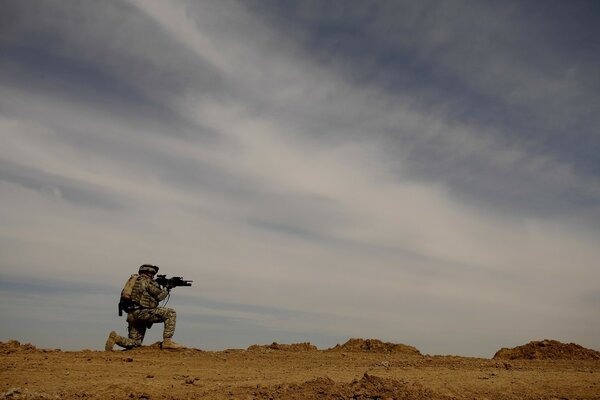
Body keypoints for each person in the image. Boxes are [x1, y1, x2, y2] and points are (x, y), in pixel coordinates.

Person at [105, 264, 184, 350]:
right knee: (170, 313)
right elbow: (159, 296)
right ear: (149, 273)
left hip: (132, 315)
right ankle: (167, 342)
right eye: (152, 273)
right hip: (142, 313)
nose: (153, 276)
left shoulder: (133, 282)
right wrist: (167, 287)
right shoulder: (147, 282)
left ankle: (116, 338)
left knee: (135, 343)